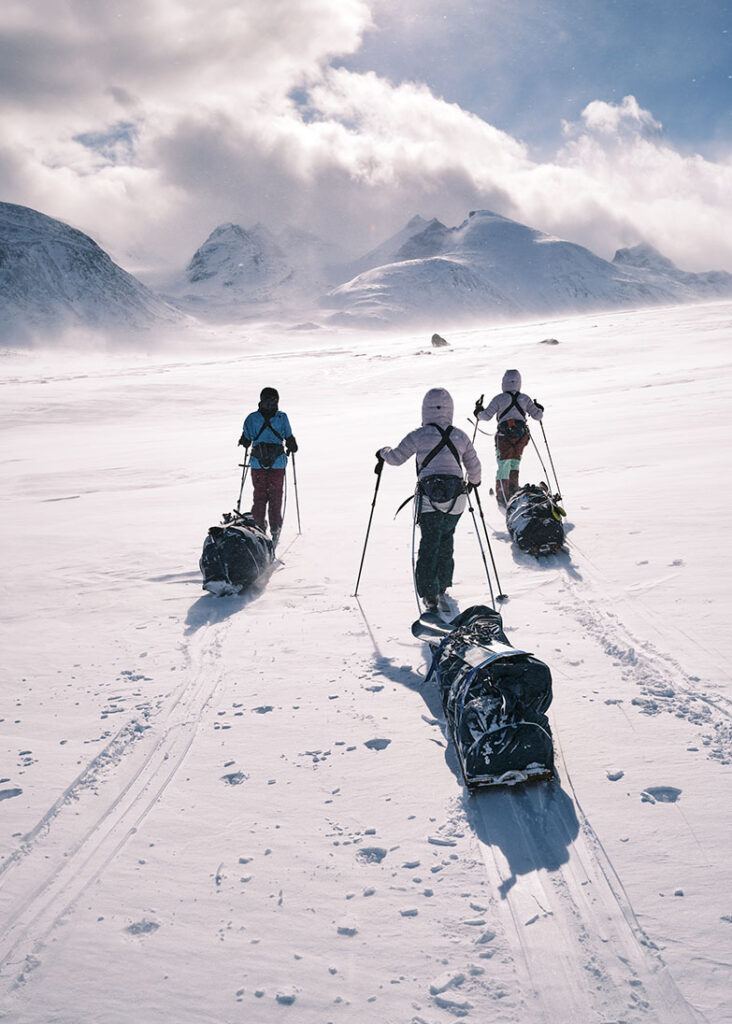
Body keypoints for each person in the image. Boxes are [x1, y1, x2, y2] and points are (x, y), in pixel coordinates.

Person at [377, 387, 481, 615]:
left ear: (425, 410)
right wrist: (474, 482)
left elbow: (395, 458)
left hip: (429, 500)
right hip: (457, 501)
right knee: (446, 540)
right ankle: (442, 585)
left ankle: (429, 593)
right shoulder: (460, 435)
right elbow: (475, 467)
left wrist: (383, 452)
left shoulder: (419, 435)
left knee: (429, 543)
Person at [474, 369, 543, 507]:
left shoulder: (499, 398)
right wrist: (539, 407)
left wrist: (478, 410)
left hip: (504, 437)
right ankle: (513, 490)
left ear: (504, 382)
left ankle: (502, 496)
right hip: (521, 437)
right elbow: (538, 416)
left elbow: (486, 416)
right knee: (514, 463)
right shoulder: (525, 398)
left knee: (503, 464)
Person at [238, 387, 297, 545]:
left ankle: (259, 529)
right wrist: (292, 445)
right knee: (275, 496)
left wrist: (245, 441)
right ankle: (275, 530)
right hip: (277, 464)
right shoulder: (281, 417)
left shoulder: (252, 418)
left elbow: (246, 439)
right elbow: (289, 438)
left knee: (259, 496)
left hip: (258, 464)